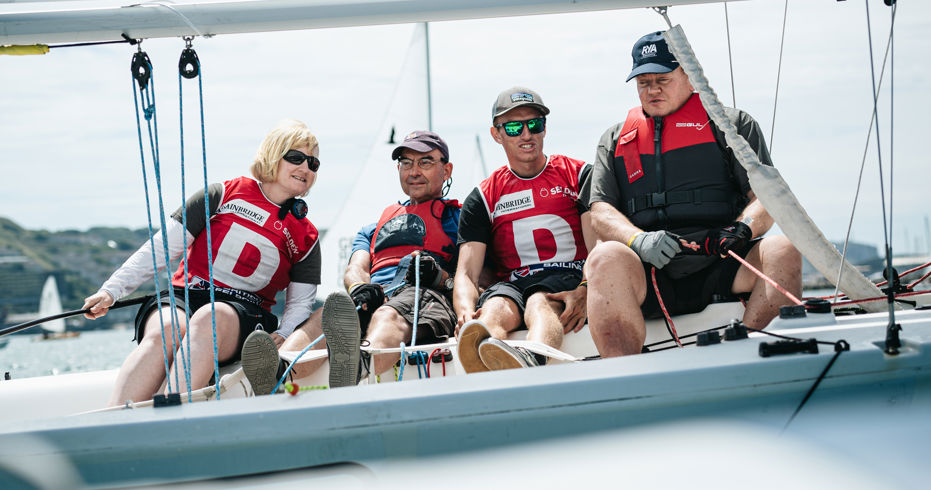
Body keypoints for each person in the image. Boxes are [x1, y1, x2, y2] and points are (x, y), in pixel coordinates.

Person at [583, 31, 802, 357]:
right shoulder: (614, 139)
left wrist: (741, 229)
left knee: (783, 250)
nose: (652, 89)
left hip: (723, 262)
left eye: (662, 79)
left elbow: (766, 199)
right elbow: (600, 211)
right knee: (603, 258)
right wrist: (638, 240)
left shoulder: (733, 125)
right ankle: (626, 376)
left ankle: (751, 354)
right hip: (650, 272)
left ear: (688, 74)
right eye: (643, 82)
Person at [83, 119, 322, 405]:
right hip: (186, 296)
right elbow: (161, 248)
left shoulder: (307, 235)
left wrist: (283, 333)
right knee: (168, 329)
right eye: (296, 157)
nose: (306, 168)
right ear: (272, 154)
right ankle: (114, 423)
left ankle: (165, 420)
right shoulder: (222, 194)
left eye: (313, 164)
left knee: (212, 317)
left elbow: (300, 303)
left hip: (242, 313)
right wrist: (111, 290)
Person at [242, 130, 460, 390]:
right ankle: (278, 370)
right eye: (406, 163)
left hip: (423, 299)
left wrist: (441, 278)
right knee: (326, 315)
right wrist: (359, 288)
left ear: (446, 170)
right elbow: (356, 267)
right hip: (379, 297)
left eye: (425, 162)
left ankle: (360, 365)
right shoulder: (373, 228)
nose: (413, 171)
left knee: (387, 315)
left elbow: (477, 281)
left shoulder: (459, 221)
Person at [454, 86, 593, 373]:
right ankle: (481, 360)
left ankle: (532, 362)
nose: (526, 134)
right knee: (492, 310)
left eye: (535, 124)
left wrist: (587, 288)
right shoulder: (483, 196)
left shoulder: (578, 175)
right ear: (497, 134)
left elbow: (599, 246)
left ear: (544, 129)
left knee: (539, 303)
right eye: (515, 127)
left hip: (566, 277)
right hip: (513, 284)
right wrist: (465, 311)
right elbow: (467, 272)